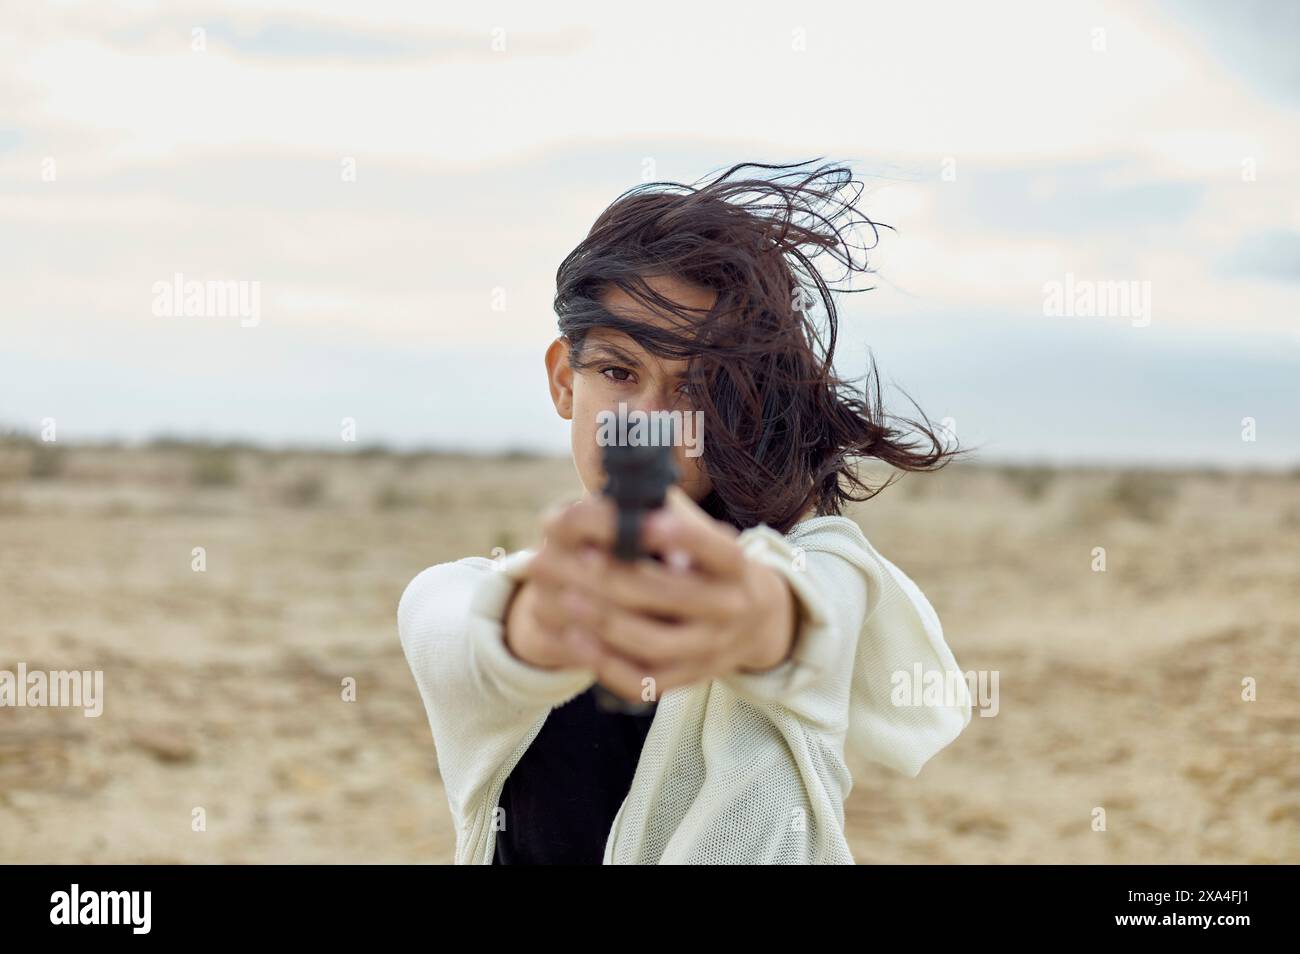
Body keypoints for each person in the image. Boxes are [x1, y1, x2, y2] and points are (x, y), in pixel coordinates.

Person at [398, 159, 974, 864]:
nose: (649, 422)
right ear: (562, 380)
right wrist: (550, 620)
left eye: (698, 387)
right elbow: (469, 638)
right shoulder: (454, 596)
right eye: (618, 372)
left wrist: (742, 613)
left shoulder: (822, 563)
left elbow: (810, 612)